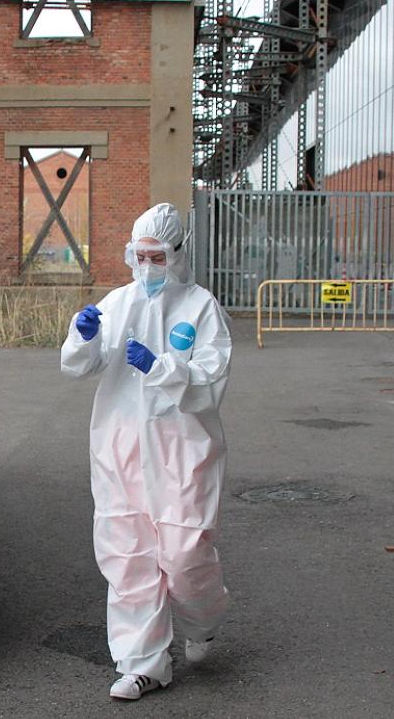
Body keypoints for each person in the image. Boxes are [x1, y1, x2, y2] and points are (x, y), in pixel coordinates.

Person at [60, 202, 232, 701]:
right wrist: (83, 337)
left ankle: (205, 621)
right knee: (129, 557)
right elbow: (78, 366)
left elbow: (211, 381)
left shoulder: (201, 307)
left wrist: (161, 368)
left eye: (158, 257)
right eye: (141, 256)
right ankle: (143, 664)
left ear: (178, 254)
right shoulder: (117, 304)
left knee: (185, 557)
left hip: (182, 453)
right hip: (121, 451)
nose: (149, 266)